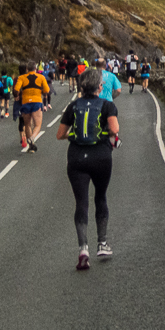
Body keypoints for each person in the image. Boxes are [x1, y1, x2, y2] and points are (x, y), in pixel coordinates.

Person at [56, 69, 119, 270]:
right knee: (100, 197)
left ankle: (83, 249)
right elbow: (114, 129)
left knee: (81, 203)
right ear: (100, 87)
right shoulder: (107, 105)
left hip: (76, 158)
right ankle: (102, 243)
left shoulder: (73, 106)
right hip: (101, 156)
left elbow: (59, 134)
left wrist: (75, 135)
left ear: (82, 87)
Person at [13, 60, 51, 153]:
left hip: (25, 102)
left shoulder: (22, 77)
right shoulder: (41, 77)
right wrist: (41, 92)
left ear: (27, 69)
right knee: (37, 125)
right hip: (36, 102)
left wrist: (17, 96)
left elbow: (15, 90)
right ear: (36, 69)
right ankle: (32, 138)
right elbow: (47, 90)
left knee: (27, 124)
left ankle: (31, 146)